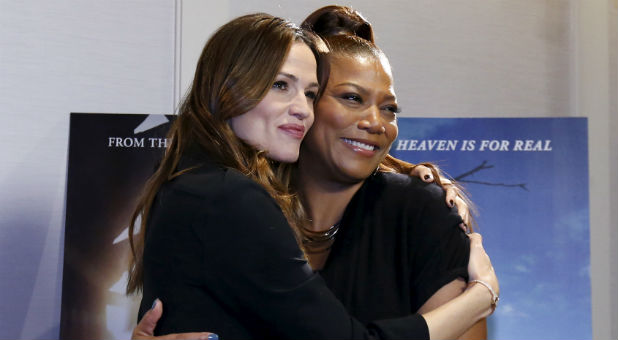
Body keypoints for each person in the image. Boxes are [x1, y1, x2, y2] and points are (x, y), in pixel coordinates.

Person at [128, 11, 498, 340]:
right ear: (229, 89)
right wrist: (481, 297)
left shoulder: (190, 186)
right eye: (280, 85)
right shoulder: (229, 197)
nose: (301, 109)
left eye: (308, 93)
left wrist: (411, 173)